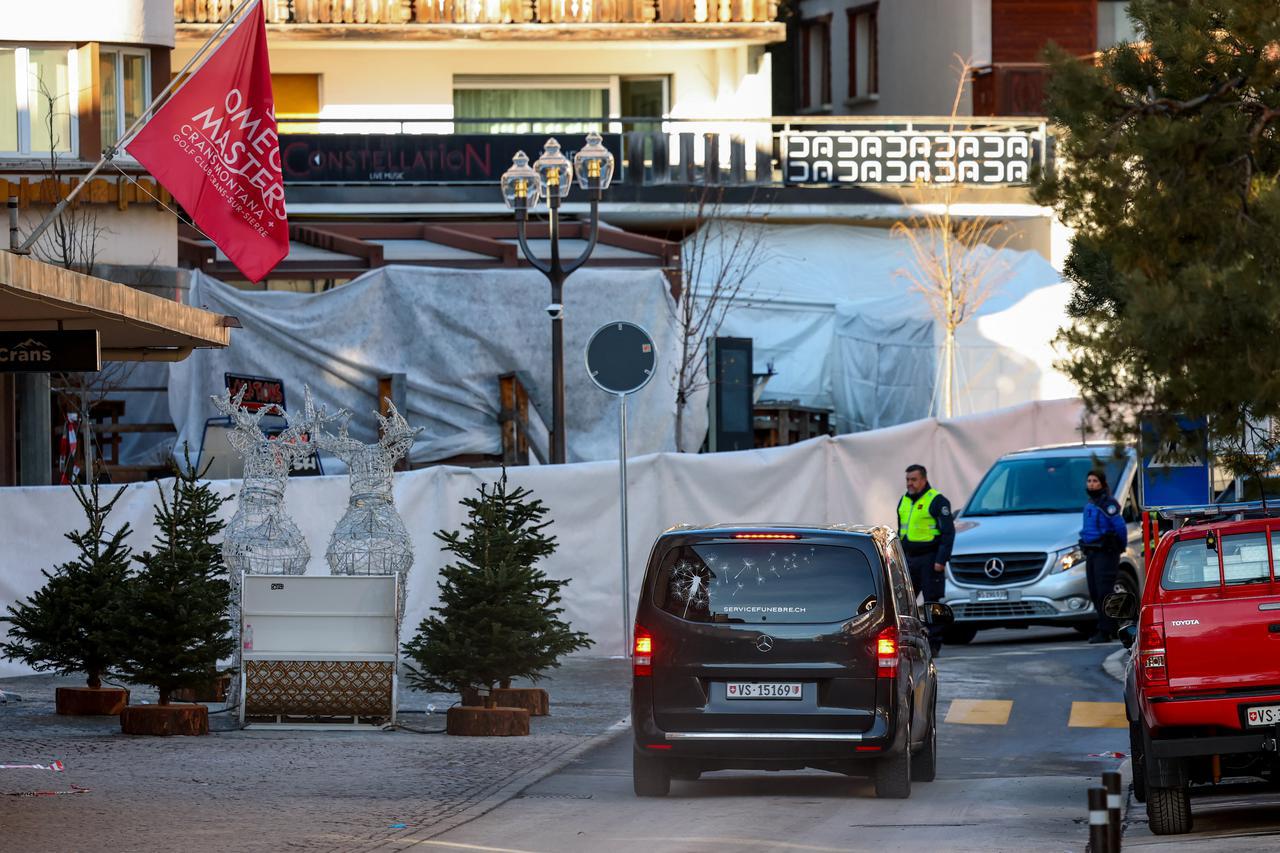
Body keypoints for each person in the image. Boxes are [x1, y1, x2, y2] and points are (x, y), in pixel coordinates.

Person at [897, 464, 955, 656]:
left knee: (933, 603)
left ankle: (935, 644)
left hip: (930, 559)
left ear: (923, 479)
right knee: (904, 602)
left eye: (913, 479)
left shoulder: (937, 501)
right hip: (909, 559)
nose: (909, 483)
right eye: (907, 480)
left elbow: (948, 533)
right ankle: (907, 642)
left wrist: (941, 560)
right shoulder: (904, 501)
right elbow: (901, 531)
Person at [1080, 469, 1127, 644]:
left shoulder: (1108, 504)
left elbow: (1120, 527)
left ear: (1102, 484)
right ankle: (1109, 627)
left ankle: (1106, 630)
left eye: (1095, 481)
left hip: (1105, 553)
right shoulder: (1090, 504)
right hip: (1091, 552)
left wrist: (1120, 546)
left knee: (1103, 592)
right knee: (1094, 592)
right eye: (1089, 481)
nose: (1091, 484)